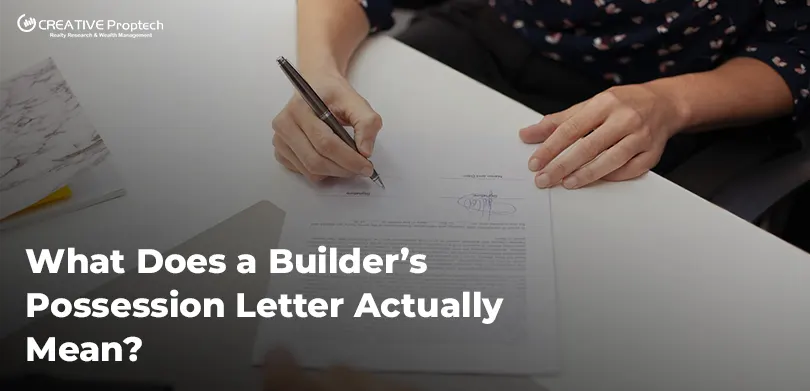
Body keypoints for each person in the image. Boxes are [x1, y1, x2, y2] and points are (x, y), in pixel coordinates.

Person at [271, 0, 809, 190]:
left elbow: (797, 48)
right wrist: (320, 74)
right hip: (486, 37)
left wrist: (670, 104)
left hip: (666, 93)